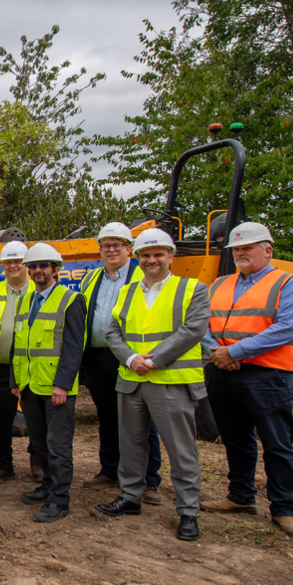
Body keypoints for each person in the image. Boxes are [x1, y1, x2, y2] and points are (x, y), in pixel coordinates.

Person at [200, 222, 293, 539]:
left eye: (247, 248)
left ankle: (285, 508)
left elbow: (286, 328)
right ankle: (240, 496)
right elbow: (202, 325)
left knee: (276, 443)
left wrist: (235, 351)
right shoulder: (220, 284)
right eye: (237, 249)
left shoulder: (290, 284)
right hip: (223, 371)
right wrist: (218, 352)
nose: (241, 254)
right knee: (235, 438)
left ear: (267, 249)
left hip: (268, 374)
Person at [98, 229, 209, 541]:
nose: (151, 260)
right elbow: (113, 332)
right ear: (137, 258)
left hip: (171, 382)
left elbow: (193, 330)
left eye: (158, 254)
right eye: (146, 255)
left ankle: (188, 511)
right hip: (132, 380)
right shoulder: (128, 291)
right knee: (131, 445)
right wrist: (132, 359)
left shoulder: (191, 289)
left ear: (170, 256)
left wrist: (154, 360)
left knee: (180, 449)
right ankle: (130, 497)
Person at [79, 223, 164, 504]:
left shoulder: (144, 275)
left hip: (135, 358)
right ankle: (110, 470)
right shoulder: (91, 279)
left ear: (130, 249)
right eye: (106, 245)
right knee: (107, 418)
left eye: (118, 245)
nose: (112, 250)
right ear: (100, 250)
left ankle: (150, 481)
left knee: (142, 421)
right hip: (100, 358)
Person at [11, 243, 87, 523]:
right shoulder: (25, 301)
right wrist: (15, 380)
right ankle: (47, 486)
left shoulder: (71, 300)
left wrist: (63, 385)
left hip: (56, 388)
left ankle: (59, 500)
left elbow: (74, 346)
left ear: (56, 269)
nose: (37, 270)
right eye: (33, 266)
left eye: (43, 265)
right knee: (40, 443)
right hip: (29, 386)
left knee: (58, 446)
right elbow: (17, 344)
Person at [0, 241, 32, 485]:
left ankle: (39, 462)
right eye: (8, 262)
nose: (13, 265)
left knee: (37, 416)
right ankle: (2, 465)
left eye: (18, 261)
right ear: (2, 265)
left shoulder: (39, 290)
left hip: (32, 365)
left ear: (27, 263)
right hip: (0, 365)